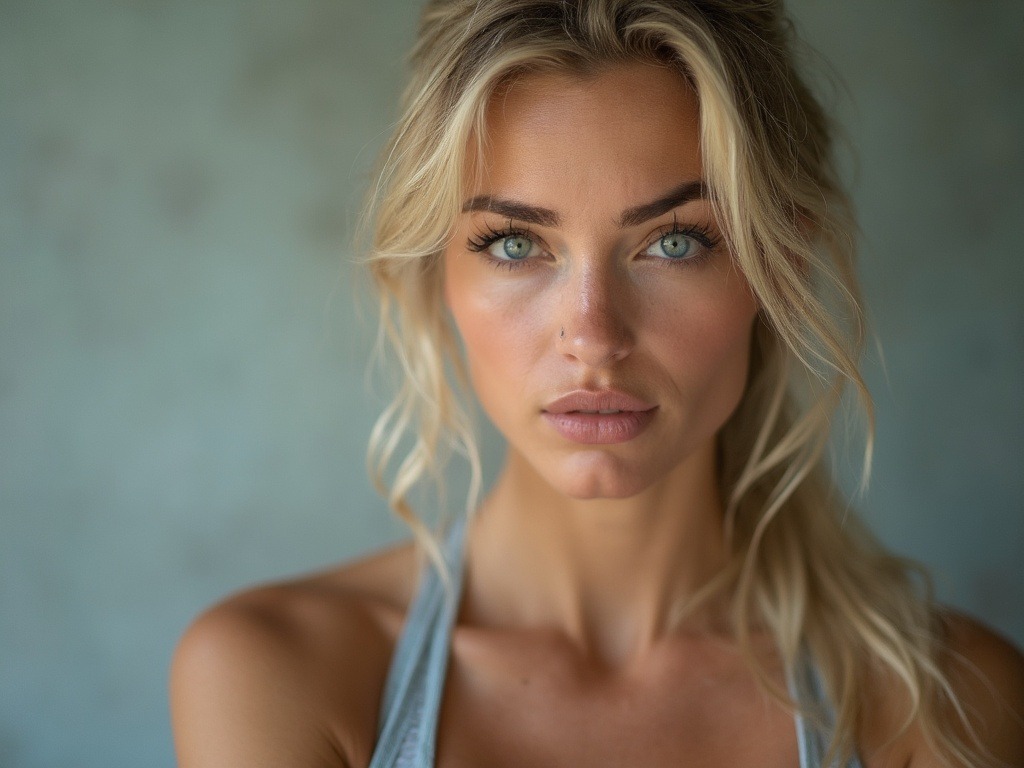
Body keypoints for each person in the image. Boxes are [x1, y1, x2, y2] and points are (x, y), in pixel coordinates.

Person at [170, 1, 1024, 766]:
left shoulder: (938, 701)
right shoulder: (281, 674)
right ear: (435, 272)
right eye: (514, 243)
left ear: (780, 268)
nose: (593, 337)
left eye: (676, 242)